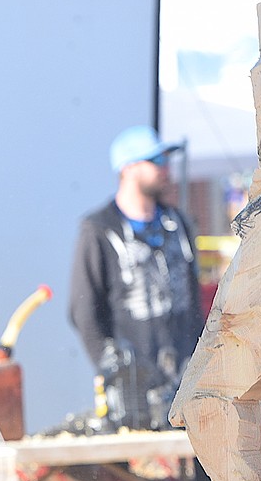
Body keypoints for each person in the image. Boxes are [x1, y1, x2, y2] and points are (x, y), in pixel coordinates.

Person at [68, 125, 204, 431]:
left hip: (185, 381)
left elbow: (194, 299)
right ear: (128, 168)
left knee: (203, 469)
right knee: (123, 474)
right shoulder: (99, 229)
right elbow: (83, 309)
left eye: (166, 160)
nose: (165, 169)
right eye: (155, 161)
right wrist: (112, 369)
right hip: (132, 387)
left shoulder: (177, 224)